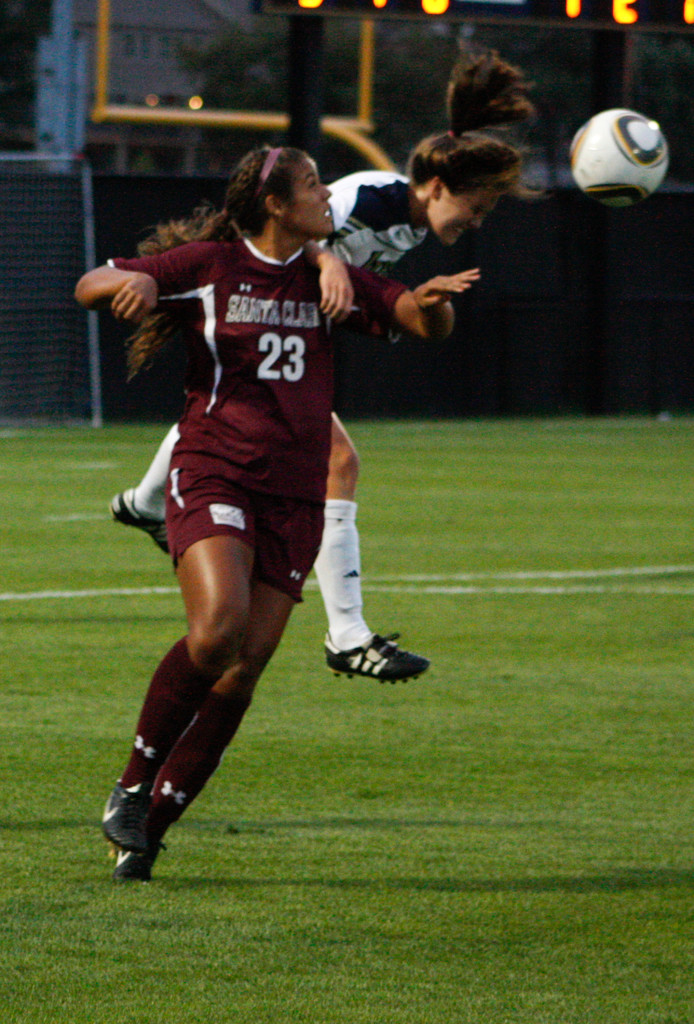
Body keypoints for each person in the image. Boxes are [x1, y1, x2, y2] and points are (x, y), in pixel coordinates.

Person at [75, 144, 478, 880]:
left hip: (294, 497)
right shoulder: (210, 266)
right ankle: (130, 787)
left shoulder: (329, 278)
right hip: (215, 470)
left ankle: (150, 830)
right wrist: (123, 285)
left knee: (243, 672)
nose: (328, 195)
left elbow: (414, 322)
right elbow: (90, 283)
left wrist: (433, 303)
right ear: (275, 205)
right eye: (315, 185)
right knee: (220, 628)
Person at [108, 47, 535, 683]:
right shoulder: (374, 194)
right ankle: (347, 635)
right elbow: (291, 226)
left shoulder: (411, 227)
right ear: (439, 186)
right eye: (477, 205)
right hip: (247, 301)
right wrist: (330, 261)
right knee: (331, 457)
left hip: (286, 330)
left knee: (232, 418)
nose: (478, 219)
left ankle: (144, 504)